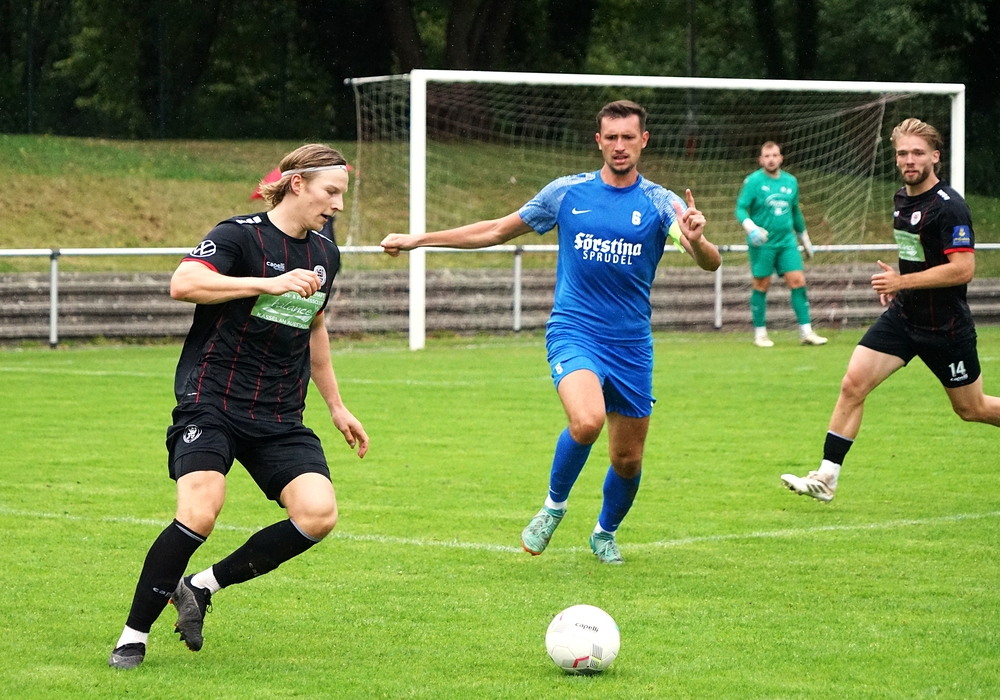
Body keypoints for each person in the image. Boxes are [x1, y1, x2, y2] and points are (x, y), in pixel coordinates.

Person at [380, 100, 721, 564]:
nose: (620, 146)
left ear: (644, 140)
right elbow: (496, 230)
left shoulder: (662, 202)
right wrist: (418, 240)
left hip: (631, 345)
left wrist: (697, 239)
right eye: (611, 137)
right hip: (574, 330)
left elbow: (708, 261)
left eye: (628, 137)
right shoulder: (566, 193)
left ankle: (604, 533)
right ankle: (552, 508)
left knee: (627, 459)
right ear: (598, 141)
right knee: (587, 421)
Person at [108, 144, 369, 670]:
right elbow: (183, 283)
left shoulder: (326, 253)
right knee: (200, 511)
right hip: (212, 400)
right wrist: (266, 282)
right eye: (331, 192)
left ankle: (201, 586)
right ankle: (132, 636)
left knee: (318, 514)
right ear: (298, 184)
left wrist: (337, 406)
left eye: (342, 194)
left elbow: (315, 326)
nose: (338, 205)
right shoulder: (238, 235)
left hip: (279, 413)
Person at [781, 118, 1000, 503]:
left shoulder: (950, 207)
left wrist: (902, 282)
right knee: (853, 384)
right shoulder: (902, 198)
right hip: (903, 317)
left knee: (972, 408)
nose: (909, 160)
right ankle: (826, 478)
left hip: (945, 327)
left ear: (935, 156)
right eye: (902, 153)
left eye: (917, 153)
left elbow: (963, 269)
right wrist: (899, 282)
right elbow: (919, 255)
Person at [735, 141, 827, 347]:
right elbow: (740, 208)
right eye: (767, 156)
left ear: (781, 158)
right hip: (763, 243)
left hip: (787, 242)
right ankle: (760, 334)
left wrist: (804, 238)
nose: (771, 159)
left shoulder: (791, 181)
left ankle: (806, 332)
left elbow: (795, 211)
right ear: (761, 160)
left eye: (775, 155)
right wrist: (751, 228)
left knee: (798, 282)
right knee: (761, 284)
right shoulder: (753, 181)